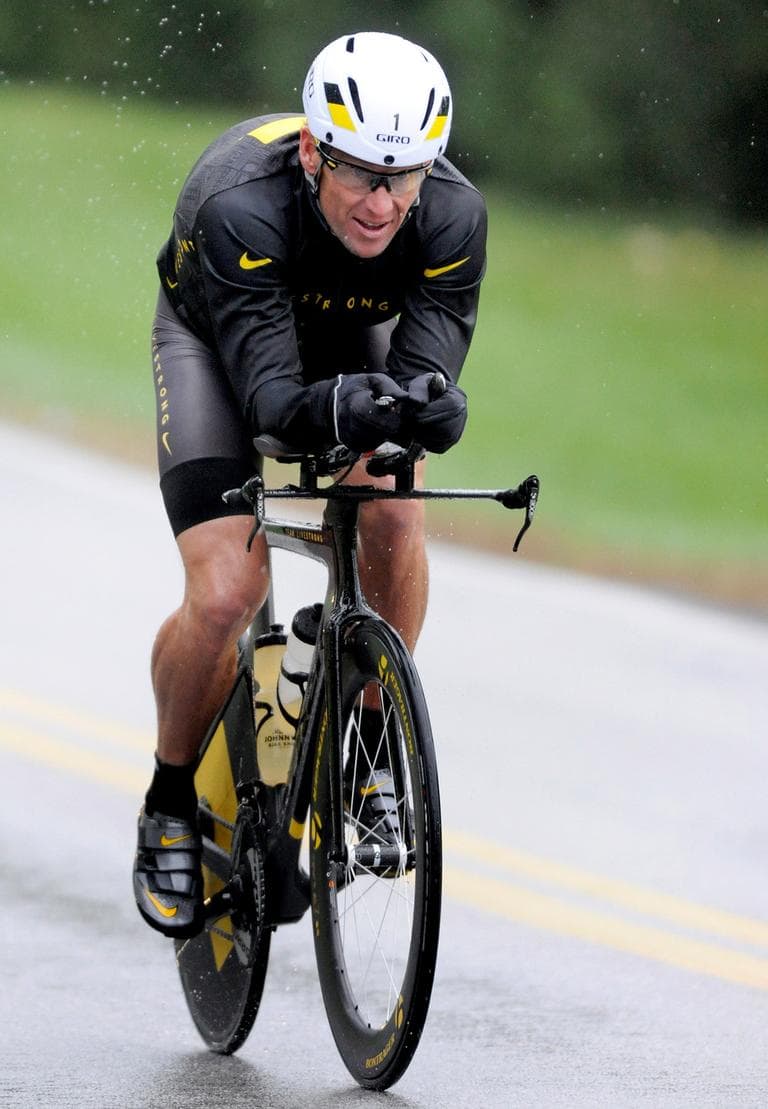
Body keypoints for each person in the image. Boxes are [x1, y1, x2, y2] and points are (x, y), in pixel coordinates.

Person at [133, 30, 487, 937]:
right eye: (362, 172)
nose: (383, 202)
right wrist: (344, 406)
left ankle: (369, 737)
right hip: (220, 344)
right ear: (310, 151)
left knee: (396, 506)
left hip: (342, 340)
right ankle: (172, 793)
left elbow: (420, 379)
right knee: (224, 592)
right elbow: (273, 407)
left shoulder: (450, 218)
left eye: (404, 176)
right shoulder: (240, 207)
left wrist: (428, 410)